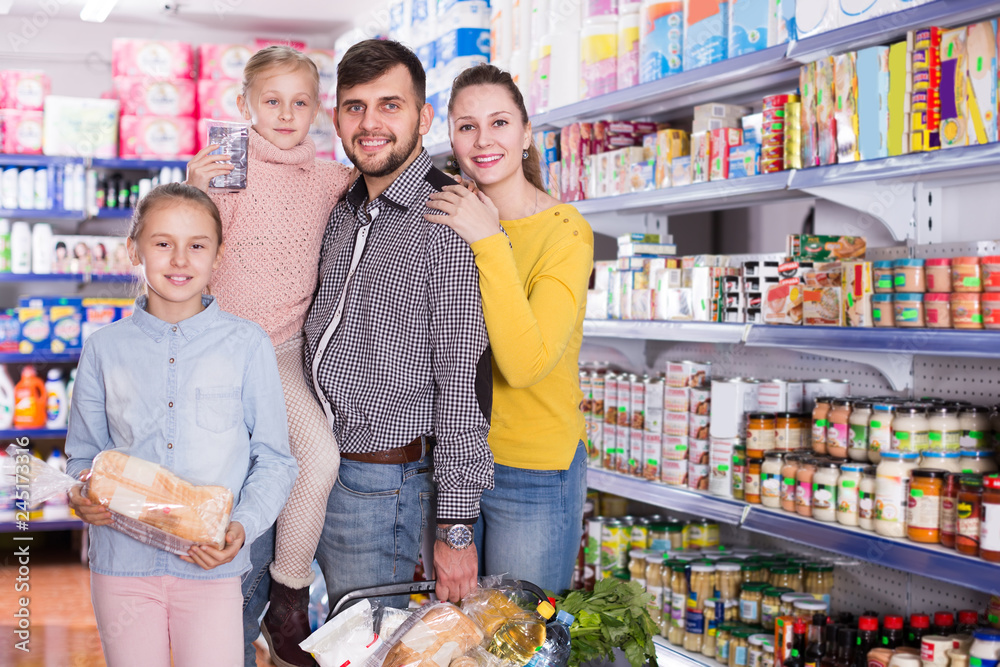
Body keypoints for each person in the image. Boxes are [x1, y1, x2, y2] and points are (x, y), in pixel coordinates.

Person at [64, 183, 297, 667]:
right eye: (162, 243)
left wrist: (242, 526)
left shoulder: (247, 345)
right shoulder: (103, 350)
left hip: (210, 566)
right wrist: (80, 494)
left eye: (197, 245)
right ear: (135, 250)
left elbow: (274, 460)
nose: (179, 260)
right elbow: (84, 457)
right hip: (122, 567)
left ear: (218, 255)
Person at [303, 39, 493, 610]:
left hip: (385, 484)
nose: (370, 123)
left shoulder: (447, 219)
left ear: (423, 117)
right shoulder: (344, 208)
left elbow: (464, 378)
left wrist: (456, 527)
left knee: (375, 643)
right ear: (336, 119)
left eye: (391, 105)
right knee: (338, 637)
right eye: (355, 107)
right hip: (319, 467)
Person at [185, 45, 350, 667]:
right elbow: (178, 255)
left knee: (319, 456)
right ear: (243, 104)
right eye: (271, 100)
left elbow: (387, 178)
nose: (285, 114)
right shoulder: (225, 167)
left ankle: (289, 597)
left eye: (300, 102)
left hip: (282, 354)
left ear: (319, 110)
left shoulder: (330, 177)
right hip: (220, 348)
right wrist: (195, 190)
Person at [424, 63, 594, 594]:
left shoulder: (565, 231)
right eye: (466, 125)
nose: (483, 139)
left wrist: (488, 239)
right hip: (450, 460)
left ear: (525, 133)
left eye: (499, 122)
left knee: (518, 641)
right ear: (450, 135)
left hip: (534, 471)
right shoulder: (438, 216)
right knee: (451, 642)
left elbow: (525, 366)